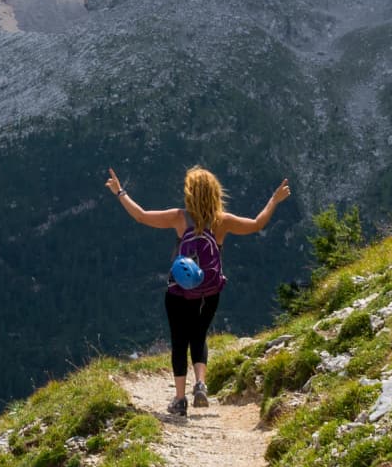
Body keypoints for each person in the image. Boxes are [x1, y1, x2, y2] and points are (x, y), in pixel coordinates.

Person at [105, 165, 291, 416]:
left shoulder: (180, 218)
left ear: (190, 193)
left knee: (179, 341)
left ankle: (180, 399)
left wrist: (120, 192)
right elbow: (257, 224)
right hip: (210, 292)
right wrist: (274, 199)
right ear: (215, 193)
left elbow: (141, 215)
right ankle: (201, 384)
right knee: (199, 335)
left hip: (179, 292)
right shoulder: (222, 221)